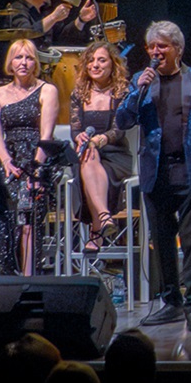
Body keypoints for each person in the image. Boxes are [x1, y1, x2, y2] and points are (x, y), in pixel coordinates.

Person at [115, 22, 191, 332]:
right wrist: (136, 91)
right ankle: (172, 303)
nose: (156, 52)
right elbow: (123, 120)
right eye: (152, 47)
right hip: (157, 173)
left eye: (162, 46)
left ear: (177, 49)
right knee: (162, 242)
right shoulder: (142, 84)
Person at [0, 39, 59, 275]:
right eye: (18, 57)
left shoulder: (47, 90)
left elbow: (46, 134)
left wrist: (35, 169)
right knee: (4, 223)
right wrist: (6, 161)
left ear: (35, 62)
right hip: (9, 161)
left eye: (29, 58)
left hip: (35, 159)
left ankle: (29, 279)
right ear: (10, 62)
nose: (24, 63)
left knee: (29, 224)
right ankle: (5, 279)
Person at [71, 41, 135, 252]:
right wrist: (80, 137)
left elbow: (119, 130)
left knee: (91, 155)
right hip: (87, 154)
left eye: (101, 60)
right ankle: (104, 218)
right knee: (88, 155)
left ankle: (96, 231)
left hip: (115, 155)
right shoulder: (78, 94)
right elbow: (75, 129)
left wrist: (100, 140)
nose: (95, 65)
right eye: (91, 60)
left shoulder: (122, 93)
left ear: (113, 64)